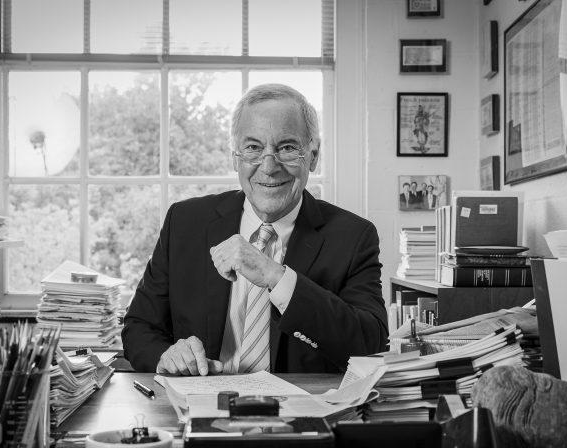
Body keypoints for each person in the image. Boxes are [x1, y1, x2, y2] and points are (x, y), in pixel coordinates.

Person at [122, 83, 388, 375]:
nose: (269, 166)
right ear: (234, 156)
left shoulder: (353, 237)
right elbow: (139, 327)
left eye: (287, 147)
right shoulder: (185, 222)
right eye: (253, 148)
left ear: (313, 155)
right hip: (199, 404)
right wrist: (167, 357)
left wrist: (275, 275)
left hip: (301, 410)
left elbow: (369, 344)